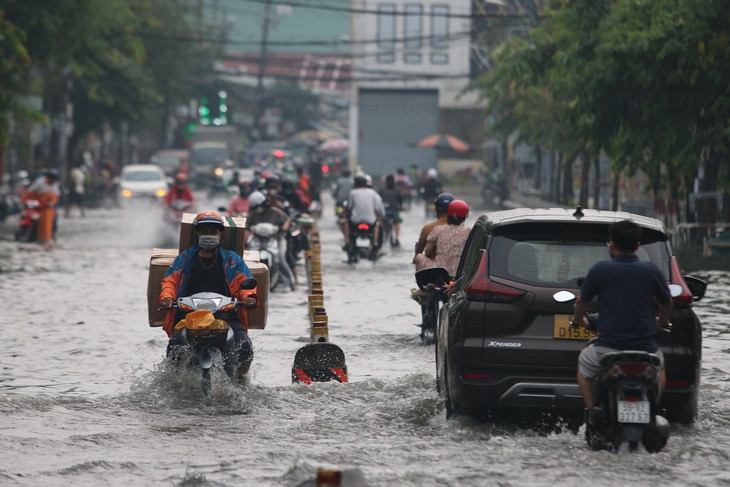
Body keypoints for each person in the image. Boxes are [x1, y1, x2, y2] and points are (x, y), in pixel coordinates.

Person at [571, 219, 673, 420]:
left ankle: (593, 412)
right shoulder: (652, 270)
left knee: (583, 365)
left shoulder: (600, 269)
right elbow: (667, 302)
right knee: (660, 368)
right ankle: (654, 410)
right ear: (637, 245)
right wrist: (661, 322)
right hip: (646, 349)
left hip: (607, 349)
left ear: (611, 243)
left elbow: (582, 302)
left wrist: (577, 321)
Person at [159, 210, 258, 378]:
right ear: (197, 233)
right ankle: (172, 379)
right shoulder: (183, 259)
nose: (209, 235)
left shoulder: (232, 260)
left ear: (220, 234)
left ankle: (241, 378)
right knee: (175, 345)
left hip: (225, 314)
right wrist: (167, 297)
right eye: (205, 231)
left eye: (213, 232)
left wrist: (249, 297)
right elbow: (170, 281)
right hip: (189, 315)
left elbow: (245, 282)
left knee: (244, 345)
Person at [246, 190, 297, 291]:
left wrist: (283, 228)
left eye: (258, 207)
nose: (257, 209)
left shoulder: (275, 212)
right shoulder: (253, 214)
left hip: (276, 238)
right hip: (257, 239)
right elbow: (246, 222)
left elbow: (287, 219)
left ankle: (289, 282)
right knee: (247, 257)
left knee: (281, 259)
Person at [414, 200, 470, 277]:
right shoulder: (468, 231)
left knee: (419, 256)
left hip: (439, 271)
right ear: (465, 216)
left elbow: (427, 251)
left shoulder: (438, 229)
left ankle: (425, 282)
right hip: (458, 272)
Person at [345, 174, 384, 260]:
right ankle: (375, 242)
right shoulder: (373, 193)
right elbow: (377, 208)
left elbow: (350, 207)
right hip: (370, 222)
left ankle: (347, 240)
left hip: (355, 222)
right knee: (377, 225)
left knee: (347, 222)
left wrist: (346, 213)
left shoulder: (353, 193)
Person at [23, 169, 61, 250]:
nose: (53, 181)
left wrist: (52, 203)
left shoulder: (55, 185)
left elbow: (56, 197)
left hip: (49, 208)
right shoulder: (40, 183)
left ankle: (49, 239)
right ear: (48, 178)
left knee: (51, 223)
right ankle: (41, 239)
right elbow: (30, 192)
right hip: (38, 206)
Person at [414, 192, 454, 258]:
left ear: (436, 209)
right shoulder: (462, 230)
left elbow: (420, 251)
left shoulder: (428, 228)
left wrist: (416, 257)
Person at [378, 174, 403, 247]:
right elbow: (400, 201)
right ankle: (397, 238)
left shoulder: (381, 190)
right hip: (394, 212)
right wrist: (400, 207)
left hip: (385, 212)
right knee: (397, 222)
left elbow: (378, 201)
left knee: (382, 221)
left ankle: (384, 236)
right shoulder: (397, 190)